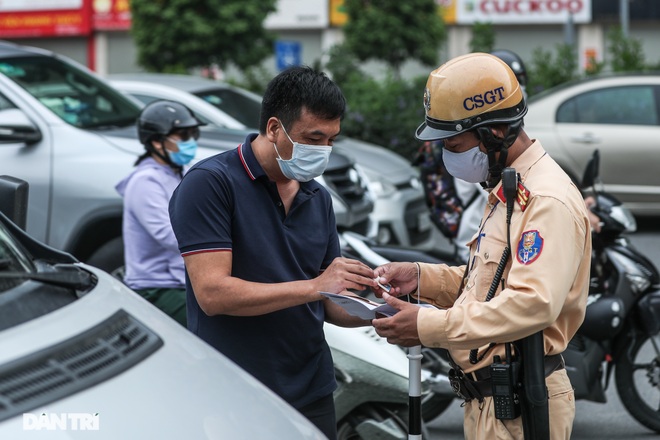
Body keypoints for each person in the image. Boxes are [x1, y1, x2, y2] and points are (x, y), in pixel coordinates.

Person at [371, 53, 592, 440]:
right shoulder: (507, 189)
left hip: (522, 404)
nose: (446, 156)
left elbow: (532, 303)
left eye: (453, 143)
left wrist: (426, 326)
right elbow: (490, 284)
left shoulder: (544, 200)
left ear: (493, 132)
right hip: (491, 403)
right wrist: (423, 278)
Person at [168, 65, 377, 439]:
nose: (323, 151)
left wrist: (386, 311)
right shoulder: (211, 184)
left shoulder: (318, 197)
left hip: (311, 388)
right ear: (274, 128)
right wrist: (314, 286)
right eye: (313, 138)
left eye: (331, 140)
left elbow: (330, 302)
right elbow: (213, 294)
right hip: (234, 391)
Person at [116, 99, 203, 327]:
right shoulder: (145, 181)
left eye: (193, 134)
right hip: (157, 286)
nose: (190, 142)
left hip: (185, 279)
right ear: (156, 142)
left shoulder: (180, 173)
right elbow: (170, 237)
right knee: (218, 327)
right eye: (183, 136)